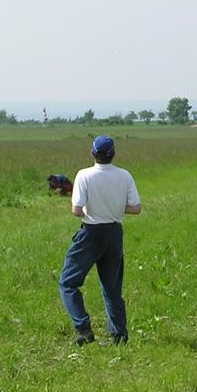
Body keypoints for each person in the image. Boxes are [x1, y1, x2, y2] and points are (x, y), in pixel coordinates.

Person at [58, 136, 141, 346]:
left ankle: (84, 329)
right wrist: (114, 207)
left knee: (68, 282)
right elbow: (135, 208)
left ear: (93, 153)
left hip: (91, 233)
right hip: (114, 233)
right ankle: (119, 336)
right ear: (114, 154)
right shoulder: (124, 175)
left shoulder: (84, 175)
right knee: (112, 288)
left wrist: (93, 208)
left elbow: (77, 210)